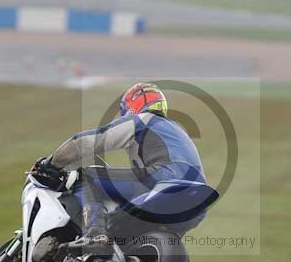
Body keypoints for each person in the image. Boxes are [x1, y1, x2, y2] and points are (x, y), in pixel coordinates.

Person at [34, 83, 206, 242]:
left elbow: (86, 142)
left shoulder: (143, 120)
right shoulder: (180, 131)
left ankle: (95, 233)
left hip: (163, 180)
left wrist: (50, 163)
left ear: (132, 106)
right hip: (198, 201)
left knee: (88, 177)